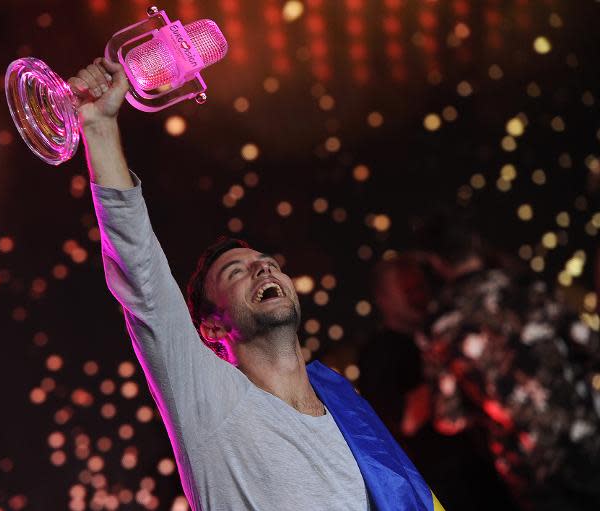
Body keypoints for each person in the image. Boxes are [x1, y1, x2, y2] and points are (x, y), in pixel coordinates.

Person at [69, 58, 443, 511]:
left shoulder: (346, 404)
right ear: (210, 327)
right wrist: (100, 125)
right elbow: (141, 273)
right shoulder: (209, 400)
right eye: (236, 272)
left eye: (267, 264)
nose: (263, 270)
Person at [416, 215, 600, 511]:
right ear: (476, 244)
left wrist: (492, 408)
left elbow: (447, 418)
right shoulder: (527, 287)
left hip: (530, 468)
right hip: (586, 439)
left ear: (436, 262)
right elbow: (591, 346)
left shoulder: (438, 327)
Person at [362, 255, 522, 511]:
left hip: (492, 471)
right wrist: (449, 362)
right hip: (449, 488)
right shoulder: (379, 354)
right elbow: (405, 419)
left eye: (420, 287)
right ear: (384, 300)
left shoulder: (442, 328)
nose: (420, 296)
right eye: (409, 291)